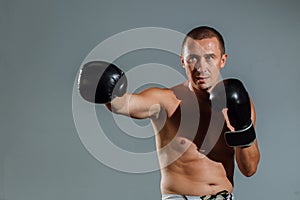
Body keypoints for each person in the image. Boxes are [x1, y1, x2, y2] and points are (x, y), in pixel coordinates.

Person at [78, 26, 260, 199]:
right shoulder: (166, 101)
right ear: (183, 61)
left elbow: (249, 169)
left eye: (210, 57)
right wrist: (109, 90)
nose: (201, 67)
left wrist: (242, 126)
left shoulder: (239, 102)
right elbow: (125, 104)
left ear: (223, 60)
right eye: (193, 58)